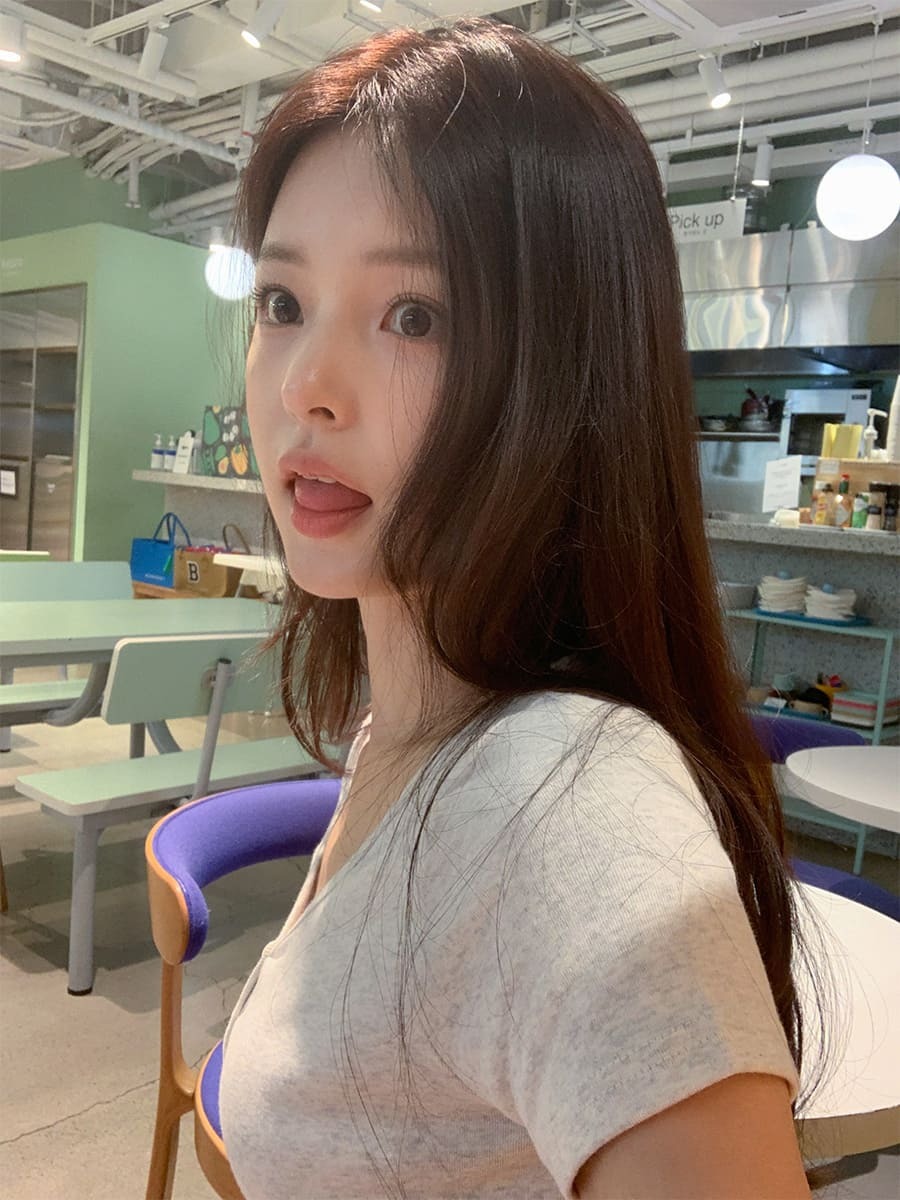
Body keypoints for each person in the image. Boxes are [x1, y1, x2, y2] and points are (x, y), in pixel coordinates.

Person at [219, 18, 836, 1199]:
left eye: (415, 315)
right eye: (283, 301)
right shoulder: (416, 721)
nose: (305, 386)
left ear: (571, 368)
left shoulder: (569, 806)